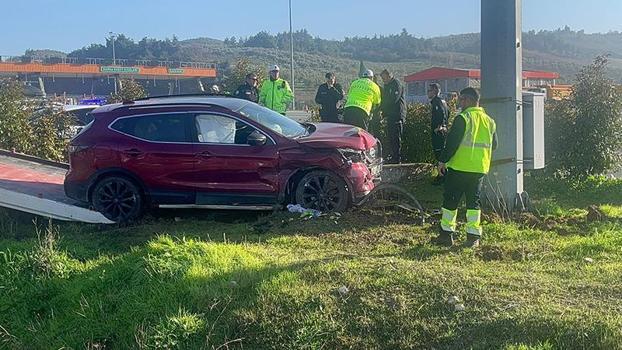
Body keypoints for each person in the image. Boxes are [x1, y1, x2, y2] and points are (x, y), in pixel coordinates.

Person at [434, 87, 497, 248]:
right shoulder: (489, 121)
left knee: (451, 201)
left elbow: (452, 144)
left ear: (468, 100)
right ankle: (473, 237)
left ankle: (446, 235)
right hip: (479, 169)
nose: (459, 102)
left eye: (461, 99)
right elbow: (494, 145)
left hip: (459, 167)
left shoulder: (463, 118)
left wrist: (442, 161)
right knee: (473, 204)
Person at [380, 69, 406, 164]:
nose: (383, 80)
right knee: (391, 137)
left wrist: (383, 107)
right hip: (390, 115)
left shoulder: (396, 84)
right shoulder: (387, 86)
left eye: (384, 78)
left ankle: (397, 158)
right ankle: (393, 156)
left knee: (396, 137)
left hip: (397, 115)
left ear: (389, 76)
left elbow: (393, 99)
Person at [428, 83, 449, 183]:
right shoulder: (443, 101)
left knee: (439, 154)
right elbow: (447, 113)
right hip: (442, 131)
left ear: (435, 91)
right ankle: (443, 174)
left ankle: (442, 176)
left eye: (430, 91)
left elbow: (442, 113)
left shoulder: (437, 102)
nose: (428, 93)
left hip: (438, 132)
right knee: (441, 152)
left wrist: (439, 126)